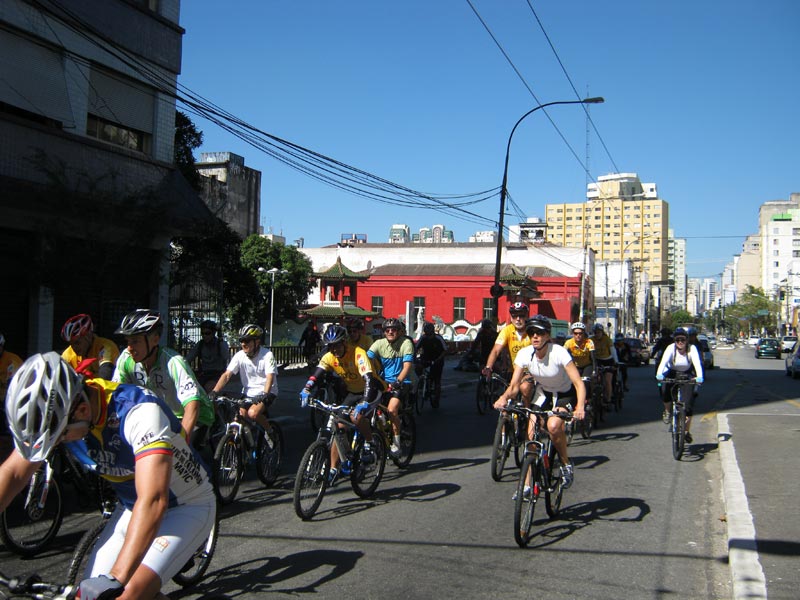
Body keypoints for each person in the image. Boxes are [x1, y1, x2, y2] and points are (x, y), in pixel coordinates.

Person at [0, 352, 215, 600]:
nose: (57, 445)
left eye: (59, 438)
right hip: (131, 508)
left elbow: (154, 500)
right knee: (87, 595)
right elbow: (14, 472)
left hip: (186, 507)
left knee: (125, 594)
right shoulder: (63, 416)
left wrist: (116, 577)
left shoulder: (139, 413)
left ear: (82, 409)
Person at [493, 316, 586, 492]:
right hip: (544, 393)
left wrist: (580, 407)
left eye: (540, 333)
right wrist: (503, 398)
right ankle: (527, 485)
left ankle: (565, 464)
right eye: (531, 333)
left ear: (547, 336)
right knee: (531, 438)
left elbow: (578, 383)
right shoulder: (525, 354)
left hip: (564, 393)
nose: (535, 336)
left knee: (553, 426)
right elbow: (514, 386)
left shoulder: (559, 352)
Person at [113, 309, 214, 446]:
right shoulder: (126, 359)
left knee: (177, 454)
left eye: (135, 341)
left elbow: (192, 406)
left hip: (194, 415)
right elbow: (116, 396)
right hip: (160, 416)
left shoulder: (173, 362)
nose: (129, 348)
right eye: (128, 341)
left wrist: (180, 444)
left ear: (155, 339)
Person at [301, 325, 385, 480]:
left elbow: (369, 379)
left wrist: (365, 401)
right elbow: (316, 374)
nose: (334, 349)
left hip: (372, 389)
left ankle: (370, 442)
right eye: (331, 346)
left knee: (356, 417)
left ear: (345, 342)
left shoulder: (358, 353)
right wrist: (306, 388)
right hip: (353, 392)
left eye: (337, 345)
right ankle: (335, 468)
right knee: (338, 426)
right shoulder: (329, 356)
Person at [209, 324, 279, 446]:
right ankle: (248, 446)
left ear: (257, 341)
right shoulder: (240, 355)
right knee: (240, 417)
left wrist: (264, 394)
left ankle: (270, 431)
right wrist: (214, 391)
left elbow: (270, 377)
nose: (243, 344)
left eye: (247, 341)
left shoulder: (267, 355)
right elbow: (227, 375)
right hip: (248, 393)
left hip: (268, 392)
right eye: (241, 341)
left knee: (253, 413)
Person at [367, 318, 415, 456]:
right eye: (387, 330)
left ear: (399, 331)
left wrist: (398, 382)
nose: (390, 332)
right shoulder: (379, 343)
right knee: (368, 408)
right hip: (383, 382)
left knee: (392, 410)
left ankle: (397, 443)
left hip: (402, 382)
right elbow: (366, 358)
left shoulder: (406, 343)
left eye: (393, 330)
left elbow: (407, 366)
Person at [655, 327, 704, 443]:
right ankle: (668, 411)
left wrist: (699, 377)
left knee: (688, 405)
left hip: (686, 373)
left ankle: (686, 431)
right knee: (664, 391)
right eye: (677, 340)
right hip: (671, 372)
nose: (680, 342)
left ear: (687, 340)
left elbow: (697, 364)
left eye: (683, 339)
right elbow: (663, 362)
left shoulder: (692, 349)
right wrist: (659, 374)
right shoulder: (670, 348)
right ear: (674, 341)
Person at [482, 301, 533, 398]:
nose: (518, 319)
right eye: (514, 316)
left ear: (526, 316)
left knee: (525, 389)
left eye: (521, 316)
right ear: (511, 317)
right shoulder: (507, 330)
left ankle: (527, 408)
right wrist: (488, 367)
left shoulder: (532, 330)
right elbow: (496, 350)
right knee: (507, 400)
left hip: (530, 372)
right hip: (513, 371)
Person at [60, 313, 120, 380]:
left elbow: (106, 374)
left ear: (88, 336)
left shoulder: (106, 346)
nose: (74, 347)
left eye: (77, 343)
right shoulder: (68, 354)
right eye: (71, 344)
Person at [186, 320, 230, 393]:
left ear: (213, 333)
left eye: (208, 333)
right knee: (193, 388)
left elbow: (225, 356)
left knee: (209, 387)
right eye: (202, 333)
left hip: (218, 375)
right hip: (204, 374)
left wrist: (220, 339)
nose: (205, 336)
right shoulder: (200, 344)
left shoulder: (220, 344)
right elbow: (189, 357)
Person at [415, 321, 447, 404]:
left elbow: (445, 350)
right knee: (418, 367)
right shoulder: (423, 338)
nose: (428, 337)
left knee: (437, 379)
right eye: (427, 334)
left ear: (433, 332)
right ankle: (422, 382)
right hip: (426, 358)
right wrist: (413, 357)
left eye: (430, 335)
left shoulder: (438, 338)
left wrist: (439, 359)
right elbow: (416, 348)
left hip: (437, 359)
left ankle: (436, 397)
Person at [590, 323, 618, 405]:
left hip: (608, 361)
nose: (597, 334)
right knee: (594, 380)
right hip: (597, 361)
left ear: (602, 332)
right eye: (595, 332)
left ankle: (608, 399)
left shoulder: (607, 340)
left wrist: (616, 362)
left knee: (607, 381)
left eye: (599, 332)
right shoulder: (591, 340)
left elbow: (613, 351)